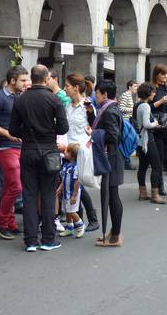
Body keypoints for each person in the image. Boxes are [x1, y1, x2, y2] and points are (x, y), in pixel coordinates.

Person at [9, 65, 69, 252]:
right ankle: (48, 239)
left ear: (32, 78)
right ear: (45, 78)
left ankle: (31, 240)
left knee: (29, 195)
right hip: (49, 151)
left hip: (27, 150)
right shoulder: (54, 99)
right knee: (48, 195)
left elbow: (13, 130)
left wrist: (27, 132)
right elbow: (63, 128)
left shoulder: (20, 100)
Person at [0, 65, 29, 240]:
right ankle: (1, 222)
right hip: (4, 147)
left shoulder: (19, 97)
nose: (26, 83)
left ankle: (10, 222)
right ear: (12, 81)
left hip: (19, 147)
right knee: (16, 186)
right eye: (23, 80)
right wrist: (8, 134)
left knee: (10, 186)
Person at [63, 74, 99, 232]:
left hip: (82, 150)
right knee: (72, 185)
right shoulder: (68, 106)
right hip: (68, 150)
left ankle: (91, 218)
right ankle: (80, 219)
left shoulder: (88, 105)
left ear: (76, 88)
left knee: (78, 185)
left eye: (67, 86)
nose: (65, 89)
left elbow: (94, 127)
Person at [93, 80, 125, 247]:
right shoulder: (110, 108)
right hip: (111, 156)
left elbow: (113, 136)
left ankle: (115, 236)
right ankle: (113, 232)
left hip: (111, 157)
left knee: (112, 196)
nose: (95, 96)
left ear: (104, 94)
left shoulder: (109, 111)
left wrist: (95, 133)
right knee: (111, 196)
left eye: (96, 93)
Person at [133, 82, 166, 204]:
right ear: (148, 93)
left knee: (142, 166)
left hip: (141, 140)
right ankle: (155, 194)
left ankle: (143, 192)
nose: (154, 93)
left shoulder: (138, 105)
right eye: (153, 91)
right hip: (148, 139)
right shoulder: (146, 106)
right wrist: (155, 124)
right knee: (157, 166)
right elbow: (147, 124)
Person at [150, 65, 167, 195]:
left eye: (166, 73)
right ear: (156, 75)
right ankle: (160, 187)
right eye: (162, 73)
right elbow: (148, 107)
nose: (165, 76)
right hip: (157, 129)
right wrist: (161, 101)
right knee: (158, 159)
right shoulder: (153, 88)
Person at [57, 143, 85, 238]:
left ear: (73, 155)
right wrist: (60, 188)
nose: (65, 152)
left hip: (72, 193)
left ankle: (80, 225)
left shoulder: (76, 167)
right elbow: (64, 179)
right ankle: (69, 227)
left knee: (71, 211)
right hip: (66, 192)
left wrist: (74, 195)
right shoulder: (66, 165)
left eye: (67, 151)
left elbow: (77, 181)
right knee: (67, 210)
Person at [119, 80, 138, 170]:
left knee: (127, 140)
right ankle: (127, 162)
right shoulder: (125, 95)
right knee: (127, 141)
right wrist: (132, 109)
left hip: (128, 120)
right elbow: (121, 108)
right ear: (129, 87)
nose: (136, 88)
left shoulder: (129, 95)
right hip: (125, 120)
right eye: (134, 86)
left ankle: (126, 161)